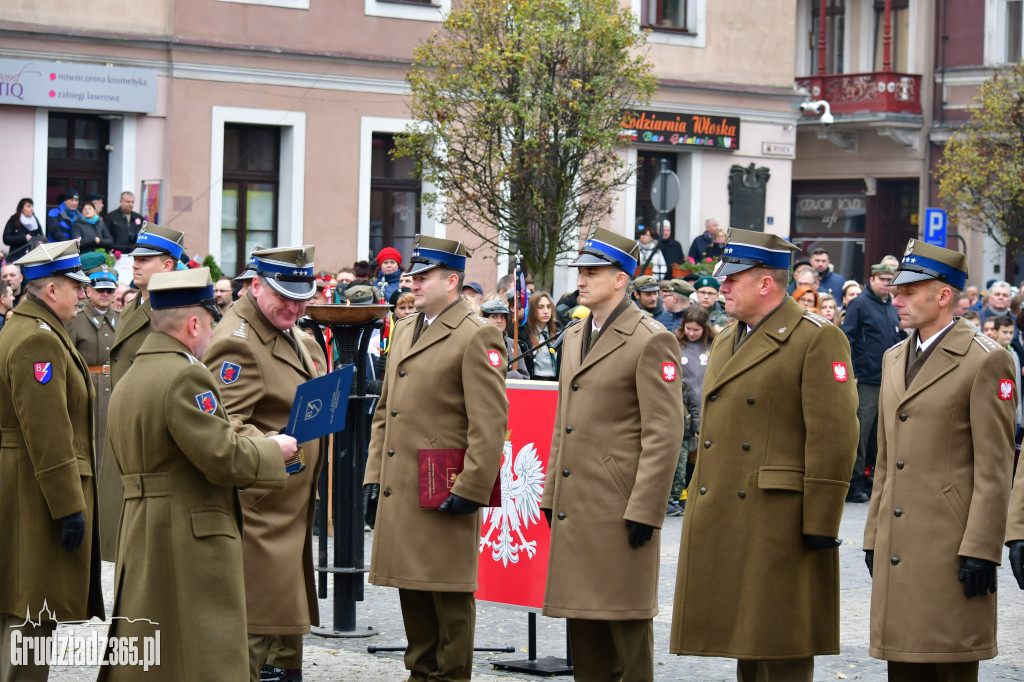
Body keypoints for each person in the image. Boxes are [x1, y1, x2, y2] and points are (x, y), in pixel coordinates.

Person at [671, 228, 858, 682]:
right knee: (748, 646)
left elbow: (834, 437)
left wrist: (820, 520)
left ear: (766, 283)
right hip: (731, 513)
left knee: (782, 643)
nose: (723, 287)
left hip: (781, 518)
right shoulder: (727, 337)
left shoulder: (816, 338)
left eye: (733, 279)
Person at [99, 267, 295, 682]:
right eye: (210, 322)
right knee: (201, 655)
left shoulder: (133, 375)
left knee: (155, 653)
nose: (212, 333)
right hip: (187, 535)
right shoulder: (186, 375)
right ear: (193, 324)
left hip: (143, 529)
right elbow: (222, 455)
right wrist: (273, 450)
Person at [863, 239, 1016, 682]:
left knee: (948, 663)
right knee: (903, 665)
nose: (898, 299)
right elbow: (886, 460)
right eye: (896, 291)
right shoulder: (895, 358)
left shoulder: (986, 360)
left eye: (909, 291)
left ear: (943, 295)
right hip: (900, 541)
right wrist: (873, 534)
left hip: (951, 544)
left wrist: (983, 550)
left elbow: (995, 467)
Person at [539, 226, 683, 679]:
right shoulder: (577, 333)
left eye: (593, 271)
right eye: (580, 270)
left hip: (619, 506)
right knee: (584, 629)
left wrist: (646, 508)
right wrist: (549, 493)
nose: (581, 279)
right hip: (577, 504)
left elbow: (664, 432)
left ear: (621, 278)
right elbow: (566, 419)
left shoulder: (650, 337)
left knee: (626, 626)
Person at [363, 234, 508, 682]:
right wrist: (373, 476)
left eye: (424, 276)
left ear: (452, 281)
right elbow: (386, 410)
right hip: (404, 483)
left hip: (446, 486)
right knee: (412, 590)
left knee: (449, 596)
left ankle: (450, 677)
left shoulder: (477, 332)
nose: (414, 282)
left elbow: (490, 424)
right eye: (414, 275)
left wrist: (472, 487)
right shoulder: (405, 326)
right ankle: (420, 674)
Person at [203, 246, 323, 682]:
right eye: (283, 296)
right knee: (252, 634)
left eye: (301, 297)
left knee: (279, 624)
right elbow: (224, 426)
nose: (293, 307)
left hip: (282, 507)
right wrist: (272, 445)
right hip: (259, 511)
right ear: (255, 285)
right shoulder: (239, 342)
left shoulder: (277, 324)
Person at [0, 240, 104, 681]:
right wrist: (68, 506)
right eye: (75, 286)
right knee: (30, 613)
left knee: (22, 610)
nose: (83, 294)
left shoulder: (36, 331)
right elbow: (48, 434)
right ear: (50, 289)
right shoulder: (37, 342)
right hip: (34, 492)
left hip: (28, 485)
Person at [100, 222, 186, 560]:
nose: (135, 264)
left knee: (145, 535)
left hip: (149, 429)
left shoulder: (173, 308)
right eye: (136, 257)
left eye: (145, 259)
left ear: (168, 265)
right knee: (124, 529)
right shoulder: (135, 303)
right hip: (124, 424)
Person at [840, 262, 903, 503]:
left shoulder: (889, 306)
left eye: (891, 280)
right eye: (883, 280)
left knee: (880, 434)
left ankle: (871, 478)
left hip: (886, 378)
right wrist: (852, 369)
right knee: (861, 432)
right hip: (865, 378)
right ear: (873, 279)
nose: (887, 285)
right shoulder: (860, 304)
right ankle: (854, 480)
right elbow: (847, 337)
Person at [66, 253, 120, 464]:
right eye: (100, 290)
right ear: (88, 291)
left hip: (115, 388)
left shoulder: (121, 318)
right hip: (87, 388)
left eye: (110, 290)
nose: (105, 294)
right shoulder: (76, 320)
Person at [481, 295, 530, 379]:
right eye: (494, 316)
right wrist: (512, 376)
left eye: (503, 317)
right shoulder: (478, 343)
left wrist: (516, 377)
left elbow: (525, 378)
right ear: (484, 318)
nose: (499, 321)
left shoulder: (513, 344)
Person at [526, 290, 560, 380]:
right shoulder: (525, 335)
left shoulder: (557, 333)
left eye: (548, 307)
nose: (546, 311)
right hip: (533, 384)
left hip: (554, 384)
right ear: (532, 310)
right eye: (541, 307)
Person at [4, 197, 47, 262]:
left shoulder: (35, 220)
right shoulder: (13, 220)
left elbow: (41, 236)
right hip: (16, 257)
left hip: (32, 257)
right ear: (21, 209)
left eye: (32, 206)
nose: (32, 209)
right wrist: (23, 237)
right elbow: (6, 239)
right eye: (28, 206)